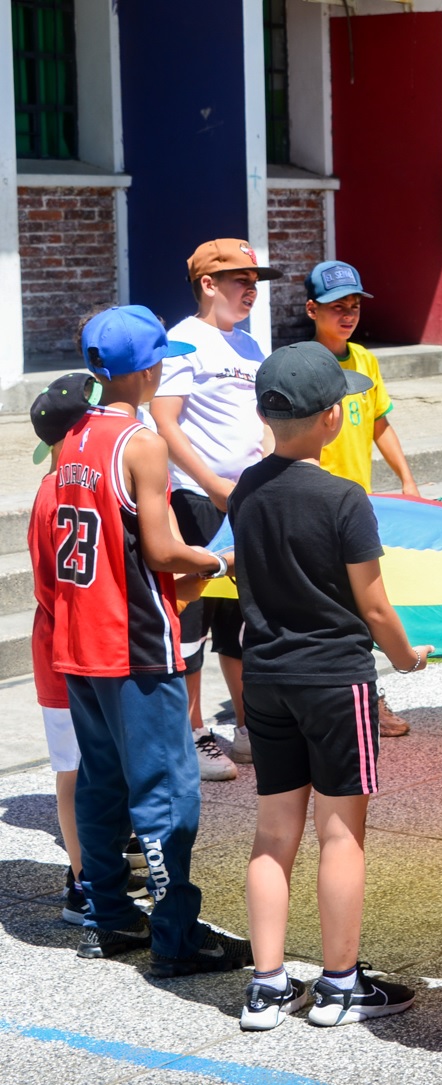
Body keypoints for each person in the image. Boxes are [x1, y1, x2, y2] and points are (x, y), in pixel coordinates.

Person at [231, 341, 432, 1030]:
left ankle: (267, 984)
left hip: (266, 677)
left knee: (273, 832)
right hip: (335, 679)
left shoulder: (245, 490)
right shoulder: (345, 499)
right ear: (331, 419)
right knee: (341, 833)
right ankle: (341, 983)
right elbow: (374, 606)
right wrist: (407, 658)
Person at [54, 305, 252, 976]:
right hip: (135, 639)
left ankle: (107, 915)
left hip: (80, 639)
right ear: (148, 368)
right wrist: (220, 561)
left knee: (102, 782)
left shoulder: (73, 433)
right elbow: (164, 549)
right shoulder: (142, 443)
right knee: (166, 792)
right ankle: (175, 935)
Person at [151, 238, 280, 779]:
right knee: (193, 618)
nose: (251, 291)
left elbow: (263, 422)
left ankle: (248, 728)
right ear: (208, 284)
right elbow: (164, 420)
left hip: (245, 498)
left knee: (241, 617)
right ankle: (195, 731)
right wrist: (211, 486)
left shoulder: (250, 347)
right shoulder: (183, 341)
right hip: (196, 499)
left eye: (255, 282)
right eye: (240, 281)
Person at [27, 372, 149, 924]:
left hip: (71, 645)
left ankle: (94, 869)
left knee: (89, 766)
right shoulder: (58, 494)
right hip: (67, 649)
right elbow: (49, 587)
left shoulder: (56, 488)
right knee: (77, 770)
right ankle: (83, 879)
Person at [307, 258, 420, 739]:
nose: (348, 314)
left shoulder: (366, 361)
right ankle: (337, 697)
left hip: (358, 505)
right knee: (328, 607)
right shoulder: (302, 364)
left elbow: (379, 423)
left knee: (362, 603)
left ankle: (366, 696)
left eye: (353, 305)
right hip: (315, 506)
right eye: (336, 306)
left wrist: (407, 479)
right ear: (312, 309)